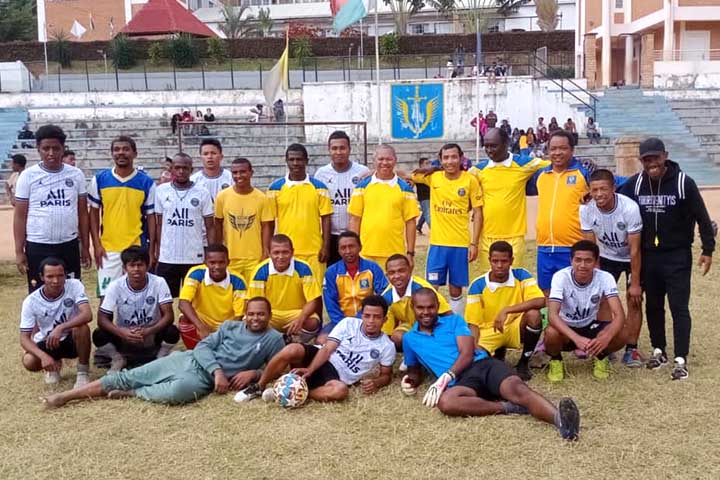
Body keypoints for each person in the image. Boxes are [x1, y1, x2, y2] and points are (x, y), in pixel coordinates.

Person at [400, 288, 580, 441]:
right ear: (413, 308)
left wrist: (445, 377)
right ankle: (509, 407)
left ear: (438, 306)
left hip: (483, 365)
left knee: (518, 390)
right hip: (462, 383)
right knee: (446, 402)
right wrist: (411, 381)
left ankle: (561, 422)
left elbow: (467, 353)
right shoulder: (409, 339)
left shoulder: (454, 321)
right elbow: (415, 370)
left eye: (430, 307)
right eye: (420, 308)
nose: (426, 312)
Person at [43, 297, 284, 408]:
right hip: (191, 360)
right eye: (251, 314)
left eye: (261, 314)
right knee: (129, 375)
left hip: (203, 380)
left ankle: (135, 393)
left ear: (269, 316)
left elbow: (279, 369)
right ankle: (67, 396)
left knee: (177, 393)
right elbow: (203, 347)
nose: (255, 318)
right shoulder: (231, 326)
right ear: (245, 314)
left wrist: (254, 373)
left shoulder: (273, 338)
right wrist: (218, 372)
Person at [619, 137, 715, 380]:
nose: (652, 163)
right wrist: (589, 197)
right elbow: (614, 196)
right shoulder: (636, 183)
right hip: (648, 255)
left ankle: (681, 358)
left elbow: (702, 217)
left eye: (656, 158)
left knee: (678, 306)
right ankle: (659, 350)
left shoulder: (683, 183)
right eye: (646, 159)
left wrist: (708, 249)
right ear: (641, 161)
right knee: (653, 305)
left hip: (677, 255)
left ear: (665, 156)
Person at [235, 295, 395, 404]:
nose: (371, 321)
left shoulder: (387, 346)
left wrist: (376, 383)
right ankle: (259, 386)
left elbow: (386, 375)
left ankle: (293, 393)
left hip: (336, 375)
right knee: (292, 349)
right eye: (367, 316)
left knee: (340, 391)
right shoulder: (349, 323)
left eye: (377, 317)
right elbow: (327, 349)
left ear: (385, 319)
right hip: (320, 356)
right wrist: (310, 370)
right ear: (362, 315)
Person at [14, 125, 90, 293]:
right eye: (45, 148)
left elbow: (83, 214)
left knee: (71, 293)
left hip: (68, 244)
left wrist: (85, 247)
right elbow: (20, 216)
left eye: (55, 148)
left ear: (63, 148)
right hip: (38, 245)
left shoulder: (76, 175)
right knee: (39, 293)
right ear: (38, 149)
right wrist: (19, 251)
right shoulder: (28, 176)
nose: (51, 153)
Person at [580, 169, 644, 367]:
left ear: (613, 188)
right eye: (594, 190)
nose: (599, 194)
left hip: (630, 257)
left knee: (634, 300)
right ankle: (606, 345)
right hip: (607, 256)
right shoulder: (586, 209)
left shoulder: (629, 208)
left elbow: (635, 250)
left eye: (603, 189)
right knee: (603, 299)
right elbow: (590, 247)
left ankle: (631, 349)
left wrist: (635, 283)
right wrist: (597, 277)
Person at [412, 143, 483, 314]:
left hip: (460, 245)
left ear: (461, 158)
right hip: (437, 245)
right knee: (432, 288)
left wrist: (474, 244)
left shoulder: (470, 180)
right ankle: (430, 322)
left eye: (453, 157)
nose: (450, 161)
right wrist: (373, 173)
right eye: (446, 158)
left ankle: (455, 323)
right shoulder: (433, 177)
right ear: (440, 159)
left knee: (456, 289)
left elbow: (478, 212)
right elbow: (406, 175)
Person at [544, 241, 627, 383]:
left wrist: (606, 337)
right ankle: (556, 360)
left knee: (623, 333)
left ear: (596, 262)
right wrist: (577, 338)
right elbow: (552, 315)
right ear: (571, 261)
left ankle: (600, 356)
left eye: (588, 260)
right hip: (566, 328)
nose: (582, 265)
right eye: (578, 260)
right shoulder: (560, 277)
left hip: (590, 325)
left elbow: (619, 315)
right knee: (551, 333)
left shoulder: (605, 277)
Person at [470, 128, 548, 272]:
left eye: (493, 146)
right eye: (486, 146)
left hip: (514, 237)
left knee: (512, 279)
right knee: (489, 280)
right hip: (486, 237)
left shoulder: (523, 164)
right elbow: (457, 179)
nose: (489, 150)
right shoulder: (478, 170)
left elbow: (552, 165)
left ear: (506, 143)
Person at [465, 241, 545, 381]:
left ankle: (523, 363)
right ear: (489, 261)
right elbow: (473, 323)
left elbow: (540, 301)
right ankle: (498, 351)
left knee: (534, 315)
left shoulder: (521, 275)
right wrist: (474, 346)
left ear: (511, 261)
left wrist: (507, 310)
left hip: (515, 326)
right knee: (477, 363)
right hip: (490, 331)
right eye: (495, 261)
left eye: (504, 261)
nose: (499, 265)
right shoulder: (478, 285)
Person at [89, 136, 156, 297]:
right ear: (111, 153)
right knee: (106, 297)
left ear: (135, 153)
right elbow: (93, 214)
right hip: (108, 248)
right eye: (116, 149)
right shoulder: (100, 179)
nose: (121, 153)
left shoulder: (146, 182)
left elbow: (151, 218)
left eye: (126, 149)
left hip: (137, 246)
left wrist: (151, 249)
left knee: (137, 295)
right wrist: (97, 245)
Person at [93, 247, 178, 372]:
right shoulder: (115, 286)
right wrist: (122, 332)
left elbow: (169, 316)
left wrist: (148, 331)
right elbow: (102, 318)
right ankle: (118, 359)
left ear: (147, 266)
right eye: (132, 265)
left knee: (172, 331)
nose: (136, 269)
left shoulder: (159, 282)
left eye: (140, 265)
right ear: (124, 268)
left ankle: (160, 358)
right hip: (125, 337)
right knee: (99, 334)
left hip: (151, 335)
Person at [527, 130, 591, 293]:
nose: (557, 153)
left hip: (572, 248)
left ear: (572, 150)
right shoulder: (541, 175)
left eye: (563, 148)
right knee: (547, 293)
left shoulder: (583, 173)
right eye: (553, 149)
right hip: (544, 248)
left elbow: (610, 184)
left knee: (574, 294)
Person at [20, 257, 92, 387]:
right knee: (29, 361)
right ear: (41, 277)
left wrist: (61, 328)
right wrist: (43, 356)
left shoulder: (74, 285)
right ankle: (53, 365)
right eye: (50, 276)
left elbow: (87, 314)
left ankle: (83, 372)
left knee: (82, 327)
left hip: (72, 339)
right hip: (48, 342)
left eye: (60, 275)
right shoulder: (30, 301)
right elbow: (24, 338)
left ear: (66, 275)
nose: (56, 281)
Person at [267, 143, 333, 281]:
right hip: (285, 252)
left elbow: (326, 218)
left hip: (313, 252)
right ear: (286, 161)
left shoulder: (319, 187)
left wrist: (326, 246)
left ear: (306, 161)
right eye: (291, 159)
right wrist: (269, 248)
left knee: (315, 290)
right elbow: (269, 222)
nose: (295, 163)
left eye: (299, 159)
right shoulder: (275, 188)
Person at [348, 144, 419, 269]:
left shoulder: (405, 189)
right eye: (380, 159)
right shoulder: (362, 187)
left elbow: (411, 222)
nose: (384, 163)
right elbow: (355, 219)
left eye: (388, 159)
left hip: (394, 254)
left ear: (395, 160)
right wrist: (354, 249)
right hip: (366, 253)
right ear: (374, 161)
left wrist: (410, 253)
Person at [154, 153, 215, 298]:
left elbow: (210, 226)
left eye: (185, 168)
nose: (181, 171)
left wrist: (210, 252)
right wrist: (157, 250)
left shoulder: (202, 192)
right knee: (167, 300)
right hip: (168, 257)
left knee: (195, 299)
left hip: (194, 257)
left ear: (191, 170)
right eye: (177, 168)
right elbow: (159, 224)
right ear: (171, 169)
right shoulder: (161, 191)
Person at [247, 234, 322, 342]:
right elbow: (255, 303)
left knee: (312, 322)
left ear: (292, 252)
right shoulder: (260, 270)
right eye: (276, 252)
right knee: (250, 321)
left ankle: (294, 341)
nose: (281, 256)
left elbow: (313, 300)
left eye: (285, 252)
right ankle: (270, 341)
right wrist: (263, 319)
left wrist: (300, 319)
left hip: (296, 313)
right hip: (270, 314)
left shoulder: (303, 268)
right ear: (269, 253)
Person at [319, 231, 388, 343]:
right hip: (340, 320)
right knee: (322, 341)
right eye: (343, 248)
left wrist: (363, 318)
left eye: (351, 246)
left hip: (367, 320)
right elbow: (330, 303)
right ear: (338, 250)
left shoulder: (372, 268)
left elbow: (384, 294)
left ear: (360, 247)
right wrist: (344, 324)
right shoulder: (331, 272)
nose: (348, 251)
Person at [313, 130, 370, 266]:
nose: (338, 152)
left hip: (355, 234)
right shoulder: (321, 174)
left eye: (342, 148)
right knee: (332, 273)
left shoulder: (362, 172)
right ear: (329, 150)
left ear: (349, 149)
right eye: (334, 148)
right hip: (330, 236)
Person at [215, 158, 274, 282]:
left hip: (255, 258)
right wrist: (219, 250)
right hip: (230, 257)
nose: (239, 176)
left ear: (251, 173)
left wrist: (265, 251)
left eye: (242, 172)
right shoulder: (222, 197)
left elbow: (266, 226)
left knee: (254, 291)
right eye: (235, 173)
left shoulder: (262, 198)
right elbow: (218, 224)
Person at [178, 244, 248, 349]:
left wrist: (223, 334)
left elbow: (239, 316)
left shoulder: (238, 280)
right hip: (202, 322)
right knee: (184, 319)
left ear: (228, 262)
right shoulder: (196, 273)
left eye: (221, 262)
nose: (217, 267)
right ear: (205, 262)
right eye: (212, 262)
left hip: (227, 325)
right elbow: (183, 303)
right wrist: (201, 327)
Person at [380, 254, 451, 349]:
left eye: (401, 271)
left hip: (432, 324)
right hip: (410, 326)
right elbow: (386, 332)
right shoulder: (386, 297)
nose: (397, 276)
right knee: (397, 338)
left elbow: (447, 313)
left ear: (410, 270)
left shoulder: (422, 288)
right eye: (392, 273)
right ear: (387, 275)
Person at [415, 157, 431, 235]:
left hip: (430, 196)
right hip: (424, 197)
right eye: (426, 163)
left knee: (426, 212)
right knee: (428, 214)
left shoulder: (430, 173)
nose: (429, 165)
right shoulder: (417, 174)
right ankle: (434, 230)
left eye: (429, 163)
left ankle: (419, 226)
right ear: (421, 165)